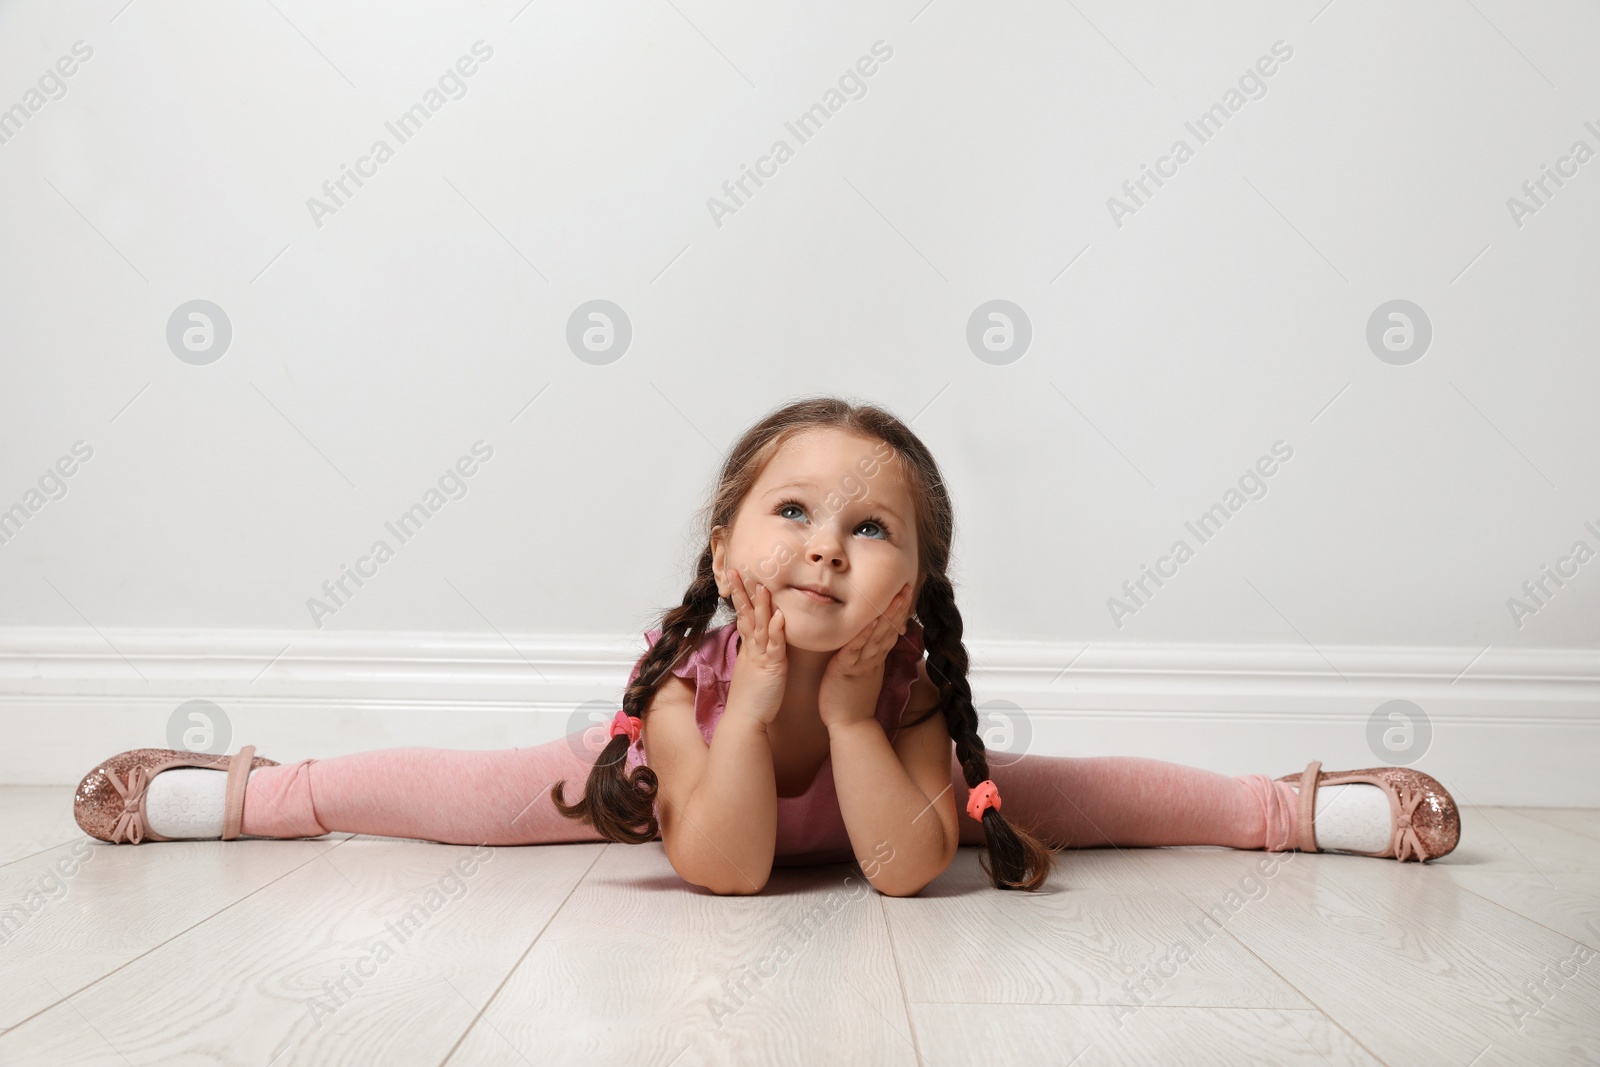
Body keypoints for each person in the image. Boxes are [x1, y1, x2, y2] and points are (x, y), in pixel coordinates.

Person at [73, 396, 1459, 895]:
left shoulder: (903, 683)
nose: (825, 547)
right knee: (472, 796)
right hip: (685, 796)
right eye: (793, 510)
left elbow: (904, 873)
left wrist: (858, 719)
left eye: (872, 530)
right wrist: (756, 713)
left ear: (915, 589)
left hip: (868, 785)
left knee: (1068, 799)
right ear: (726, 545)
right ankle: (262, 794)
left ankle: (1284, 809)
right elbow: (726, 871)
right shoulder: (687, 684)